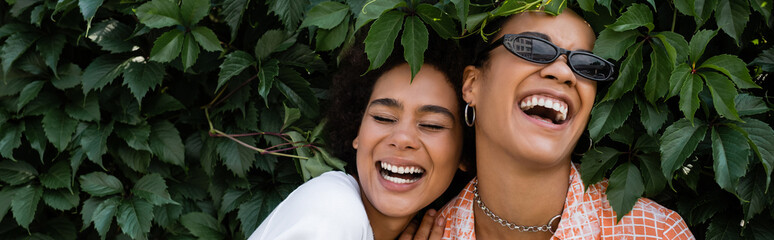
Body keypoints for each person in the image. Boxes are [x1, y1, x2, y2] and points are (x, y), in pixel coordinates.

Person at [435, 9, 695, 239]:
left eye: (587, 65)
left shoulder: (656, 233)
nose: (563, 72)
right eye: (533, 47)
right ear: (472, 84)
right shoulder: (429, 233)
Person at [248, 26, 468, 240]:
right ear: (357, 131)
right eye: (383, 118)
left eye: (432, 125)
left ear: (465, 152)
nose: (402, 138)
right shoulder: (334, 210)